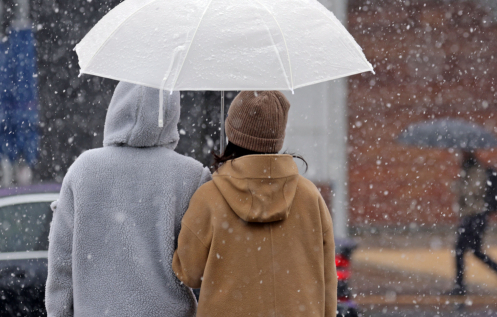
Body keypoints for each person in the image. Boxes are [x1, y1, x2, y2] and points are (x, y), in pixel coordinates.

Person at [46, 82, 211, 316]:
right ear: (172, 112)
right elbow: (205, 267)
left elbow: (61, 264)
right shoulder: (192, 175)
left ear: (117, 106)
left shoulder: (83, 170)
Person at [172, 91, 337, 317]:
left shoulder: (209, 197)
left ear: (232, 131)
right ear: (278, 135)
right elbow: (326, 279)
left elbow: (189, 272)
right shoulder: (309, 196)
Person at [448, 150, 497, 296]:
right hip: (472, 216)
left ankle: (460, 286)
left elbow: (472, 192)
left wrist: (459, 186)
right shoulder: (468, 171)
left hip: (475, 216)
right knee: (474, 251)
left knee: (460, 250)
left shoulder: (476, 171)